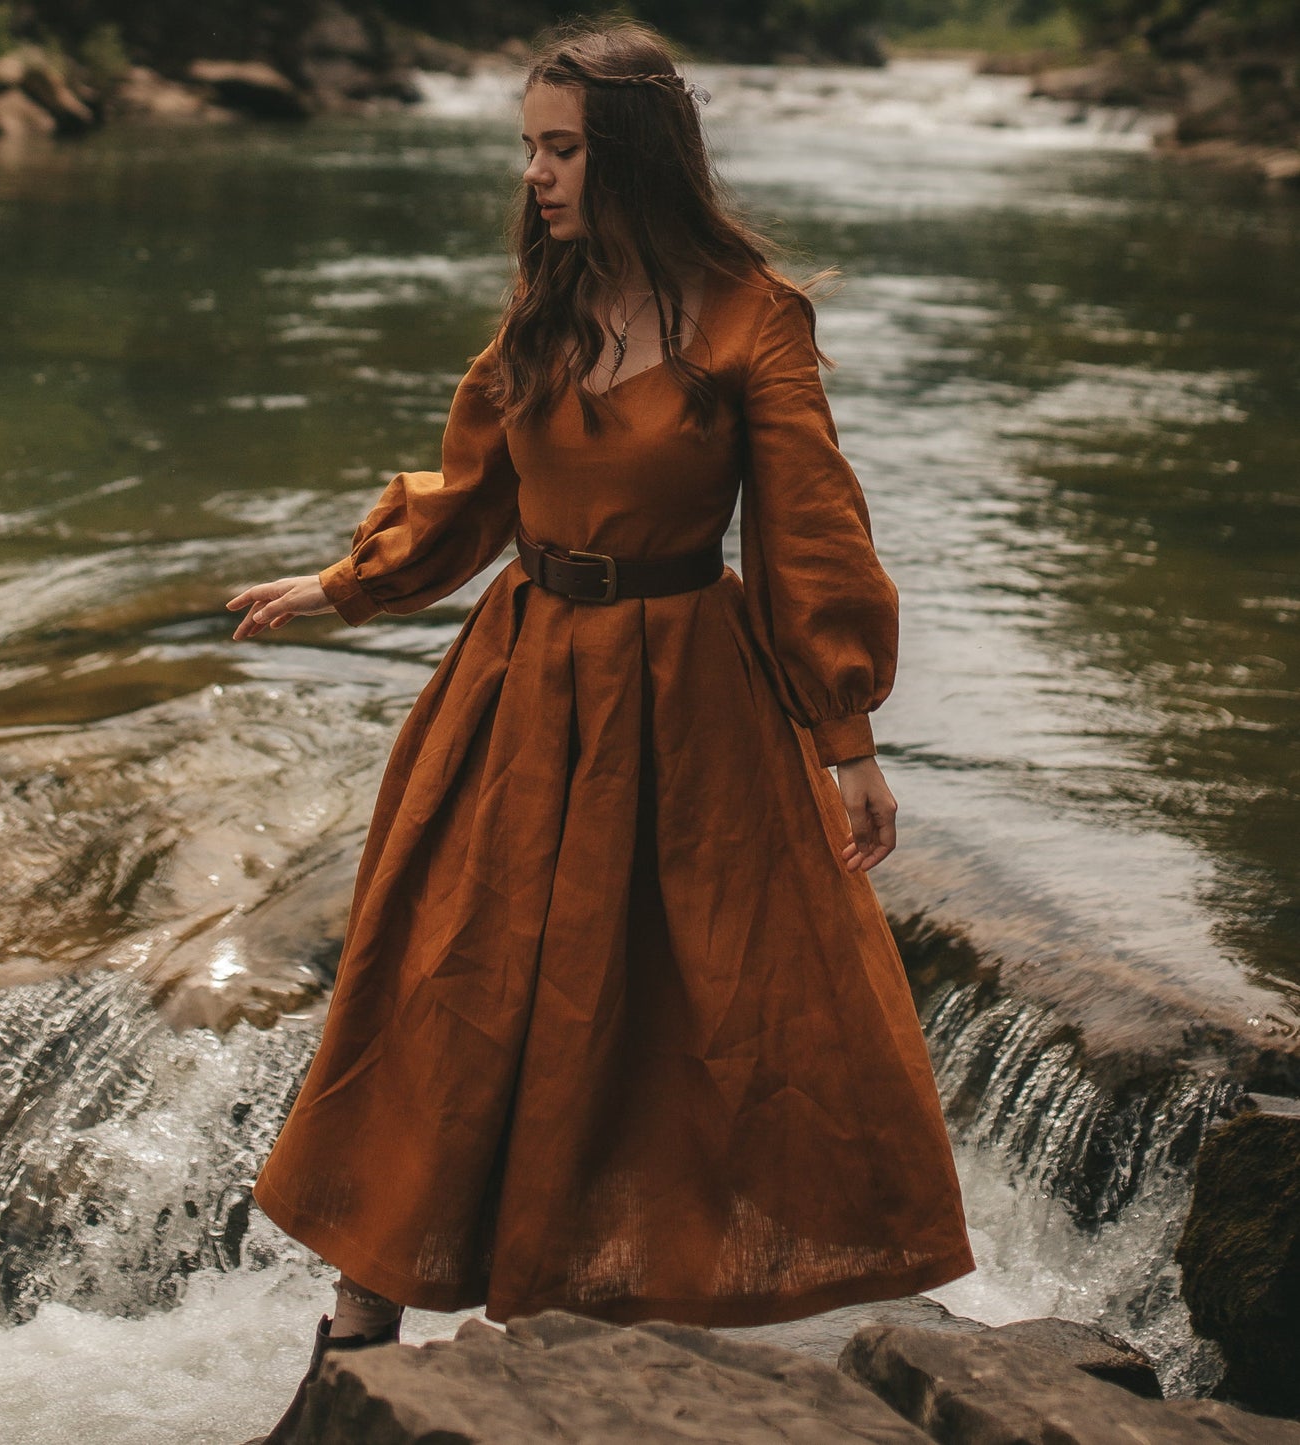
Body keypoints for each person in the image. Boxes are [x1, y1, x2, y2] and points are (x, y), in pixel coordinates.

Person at [228, 19, 974, 1439]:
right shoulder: (539, 313)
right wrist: (339, 586)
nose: (536, 175)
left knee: (658, 1016)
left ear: (631, 153)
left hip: (688, 710)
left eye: (560, 149)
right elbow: (465, 497)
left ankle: (588, 1335)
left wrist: (848, 741)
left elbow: (812, 535)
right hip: (512, 696)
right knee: (440, 988)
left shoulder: (752, 318)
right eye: (527, 148)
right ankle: (348, 1346)